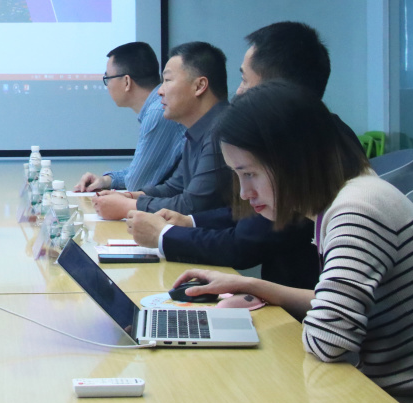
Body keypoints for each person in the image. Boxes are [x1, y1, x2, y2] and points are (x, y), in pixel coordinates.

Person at [173, 81, 413, 403]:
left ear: (294, 160)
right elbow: (334, 306)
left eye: (251, 174)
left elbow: (328, 341)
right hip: (404, 396)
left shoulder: (358, 210)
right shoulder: (348, 198)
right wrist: (252, 286)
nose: (244, 192)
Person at [127, 22, 337, 288]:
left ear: (278, 90)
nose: (238, 92)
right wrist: (189, 222)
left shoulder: (304, 148)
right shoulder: (311, 132)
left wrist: (163, 234)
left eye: (245, 80)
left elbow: (244, 242)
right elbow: (248, 215)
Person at [94, 41, 230, 219]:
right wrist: (128, 197)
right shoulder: (196, 131)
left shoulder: (224, 131)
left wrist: (128, 206)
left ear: (199, 86)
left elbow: (192, 205)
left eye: (167, 80)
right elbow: (174, 188)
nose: (160, 91)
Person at [73, 42, 185, 194]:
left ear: (127, 82)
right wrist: (106, 180)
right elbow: (138, 171)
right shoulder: (156, 108)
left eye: (108, 78)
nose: (107, 85)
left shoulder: (158, 112)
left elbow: (136, 183)